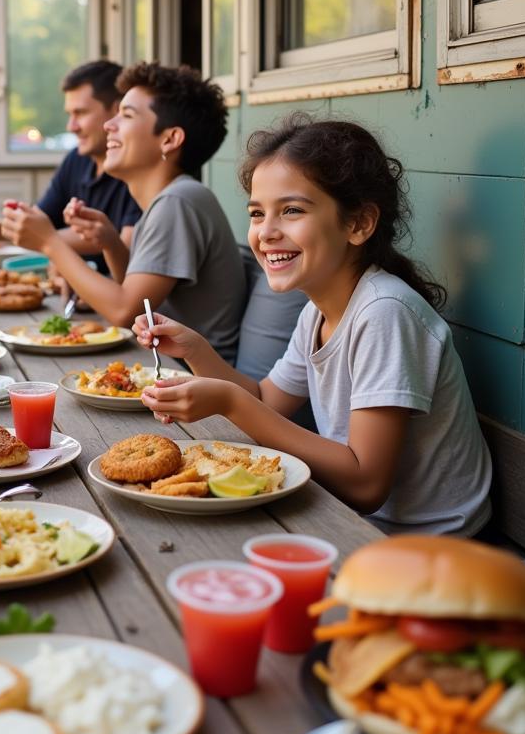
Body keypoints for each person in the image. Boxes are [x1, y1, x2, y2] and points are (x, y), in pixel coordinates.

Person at [136, 114, 492, 536]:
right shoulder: (318, 310)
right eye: (256, 213)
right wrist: (196, 351)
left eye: (291, 210)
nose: (266, 232)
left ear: (358, 224)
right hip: (356, 523)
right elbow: (267, 400)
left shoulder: (384, 313)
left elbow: (365, 484)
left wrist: (231, 402)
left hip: (430, 548)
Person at [2, 62, 246, 363]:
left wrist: (49, 243)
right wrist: (111, 243)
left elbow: (124, 310)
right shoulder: (168, 201)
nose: (109, 125)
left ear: (169, 139)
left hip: (196, 388)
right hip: (166, 370)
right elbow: (138, 297)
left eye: (127, 115)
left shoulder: (178, 202)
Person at [0, 59, 141, 277]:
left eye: (81, 113)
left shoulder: (138, 170)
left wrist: (44, 238)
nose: (71, 126)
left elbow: (126, 253)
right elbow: (38, 223)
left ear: (116, 111)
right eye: (69, 114)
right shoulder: (77, 159)